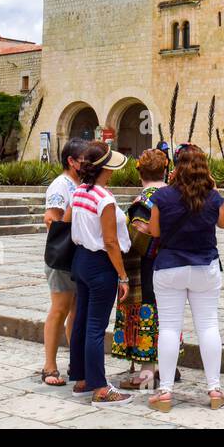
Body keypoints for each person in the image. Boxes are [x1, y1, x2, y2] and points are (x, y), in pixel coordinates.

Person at [146, 145, 224, 411]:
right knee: (208, 326)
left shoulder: (163, 196)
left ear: (176, 167)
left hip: (170, 267)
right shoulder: (211, 196)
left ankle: (165, 392)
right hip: (205, 267)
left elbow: (155, 230)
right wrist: (214, 190)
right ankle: (214, 389)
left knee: (170, 328)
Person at [65, 141, 134, 406]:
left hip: (81, 260)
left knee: (82, 321)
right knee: (95, 325)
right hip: (100, 263)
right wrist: (123, 275)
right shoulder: (104, 198)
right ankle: (100, 387)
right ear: (104, 167)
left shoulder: (80, 191)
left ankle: (81, 377)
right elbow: (110, 241)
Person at [111, 148, 171, 390]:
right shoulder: (174, 195)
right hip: (172, 263)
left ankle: (147, 373)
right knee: (167, 315)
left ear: (140, 174)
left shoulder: (143, 201)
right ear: (165, 170)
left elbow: (141, 233)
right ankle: (167, 365)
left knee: (147, 312)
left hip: (146, 267)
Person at [40, 138, 84, 387]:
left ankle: (75, 361)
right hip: (63, 257)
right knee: (60, 309)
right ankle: (49, 365)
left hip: (78, 256)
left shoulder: (80, 183)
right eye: (84, 160)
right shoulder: (61, 186)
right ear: (71, 161)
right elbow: (51, 220)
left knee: (76, 312)